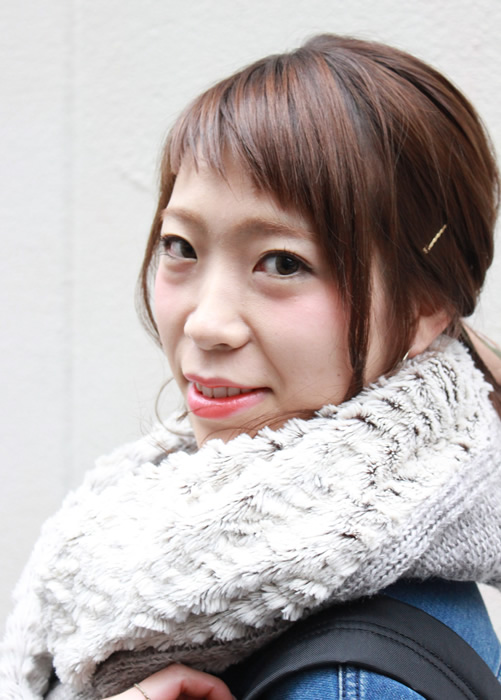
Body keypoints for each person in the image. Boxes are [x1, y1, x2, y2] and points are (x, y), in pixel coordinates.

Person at [2, 33, 501, 700]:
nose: (206, 323)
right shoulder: (149, 545)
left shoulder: (346, 687)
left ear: (425, 306)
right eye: (181, 246)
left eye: (283, 263)